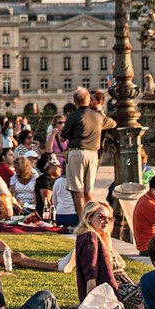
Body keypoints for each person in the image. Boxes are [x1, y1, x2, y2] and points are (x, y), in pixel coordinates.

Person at [74, 200, 143, 309]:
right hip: (120, 294)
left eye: (109, 218)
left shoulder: (101, 239)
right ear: (89, 218)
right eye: (101, 217)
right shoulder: (89, 238)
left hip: (128, 290)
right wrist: (88, 306)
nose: (106, 221)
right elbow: (91, 275)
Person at [63, 86, 116, 218]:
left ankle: (83, 222)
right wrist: (99, 111)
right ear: (87, 99)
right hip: (93, 155)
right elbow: (113, 123)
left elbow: (63, 136)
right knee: (89, 191)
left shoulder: (73, 116)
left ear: (75, 101)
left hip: (77, 153)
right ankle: (94, 219)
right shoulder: (98, 117)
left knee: (77, 191)